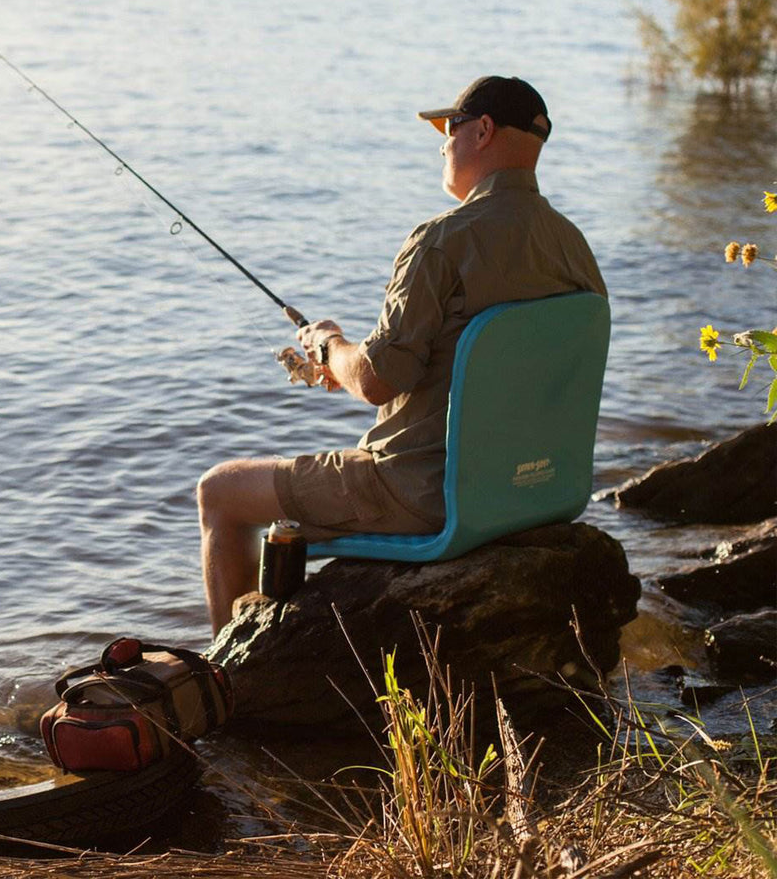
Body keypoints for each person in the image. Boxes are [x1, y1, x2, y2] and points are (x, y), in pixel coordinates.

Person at [197, 76, 607, 635]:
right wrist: (347, 365)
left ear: (483, 131)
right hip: (534, 489)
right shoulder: (572, 246)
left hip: (421, 492)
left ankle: (227, 680)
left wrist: (330, 347)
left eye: (450, 128)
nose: (442, 144)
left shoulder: (442, 239)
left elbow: (376, 381)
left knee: (219, 492)